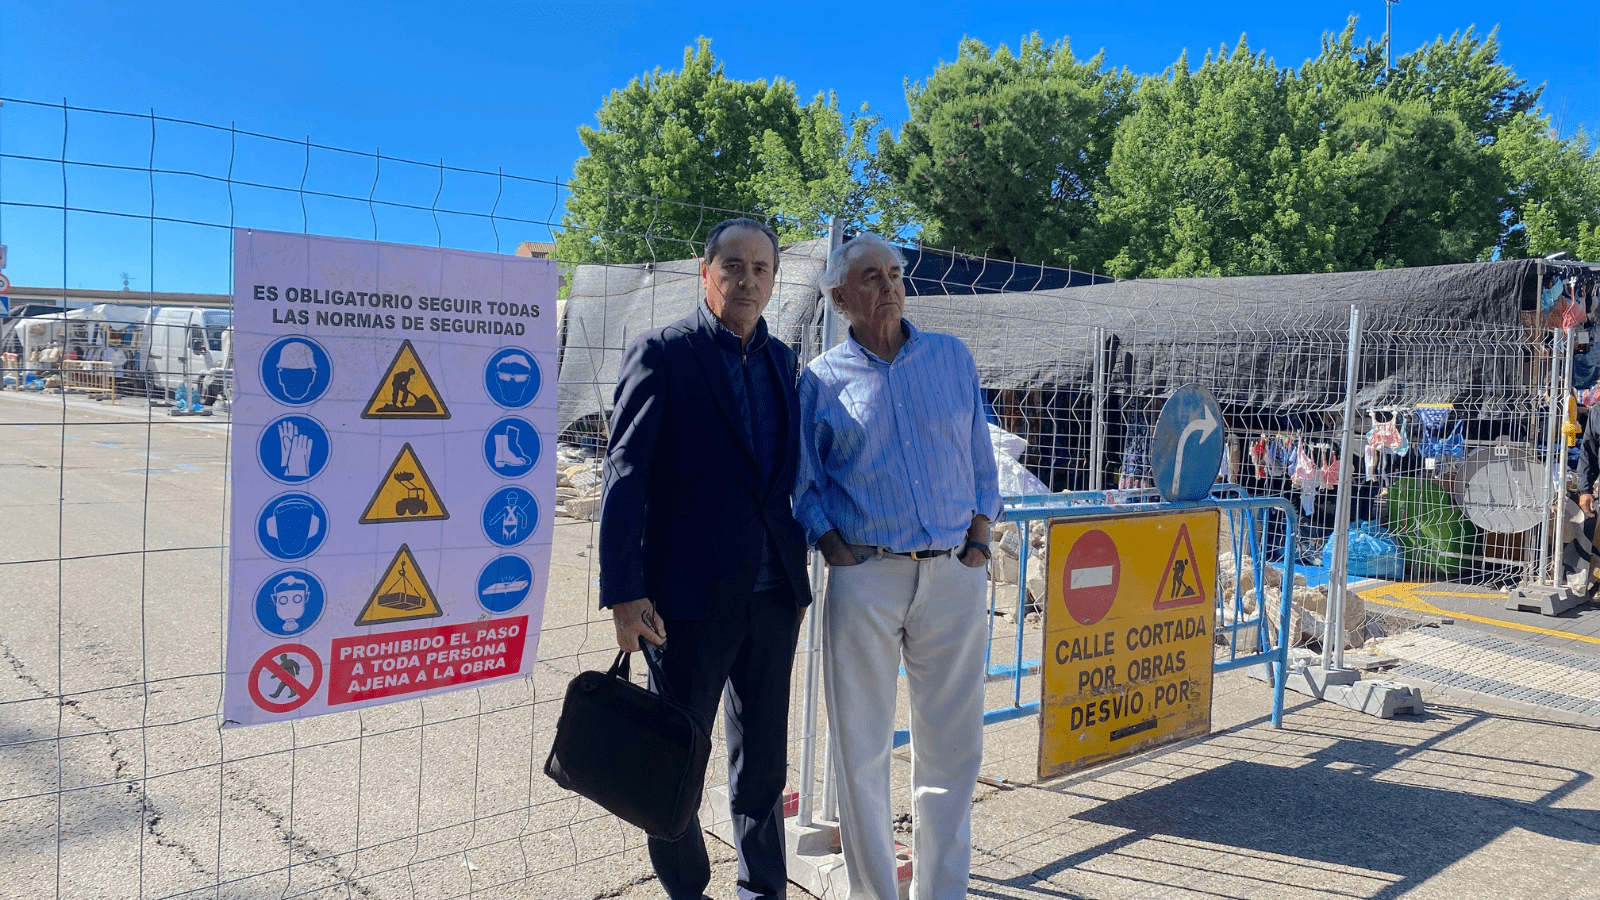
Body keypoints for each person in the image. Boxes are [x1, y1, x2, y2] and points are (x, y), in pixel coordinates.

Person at [598, 217, 812, 900]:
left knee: (763, 771)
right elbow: (625, 476)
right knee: (675, 762)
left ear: (774, 281)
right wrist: (624, 593)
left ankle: (762, 891)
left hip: (773, 597)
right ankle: (688, 890)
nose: (748, 280)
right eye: (734, 267)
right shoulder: (663, 353)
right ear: (706, 272)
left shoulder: (782, 361)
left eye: (762, 269)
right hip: (684, 604)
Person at [794, 233, 1001, 900]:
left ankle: (943, 893)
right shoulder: (822, 380)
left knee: (952, 752)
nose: (887, 287)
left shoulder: (950, 357)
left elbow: (980, 456)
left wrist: (979, 536)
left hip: (953, 572)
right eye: (870, 278)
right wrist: (832, 548)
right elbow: (804, 482)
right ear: (839, 297)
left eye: (894, 274)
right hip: (868, 576)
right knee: (860, 750)